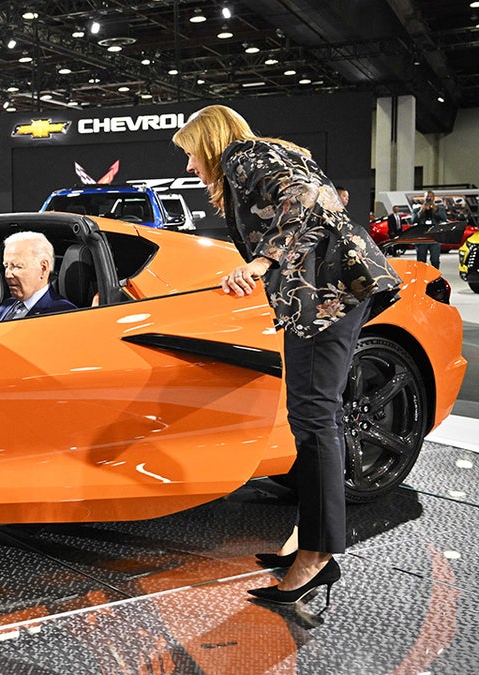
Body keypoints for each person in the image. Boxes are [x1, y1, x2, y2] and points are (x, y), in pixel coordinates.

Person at [172, 106, 401, 608]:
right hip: (331, 292)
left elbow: (307, 200)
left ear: (210, 142)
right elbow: (325, 201)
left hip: (326, 294)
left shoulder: (244, 155)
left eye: (190, 152)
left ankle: (316, 557)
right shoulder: (271, 154)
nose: (190, 165)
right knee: (318, 418)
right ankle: (310, 542)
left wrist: (258, 263)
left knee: (314, 419)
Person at [0, 232, 77, 321]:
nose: (7, 275)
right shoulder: (6, 306)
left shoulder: (62, 313)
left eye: (17, 266)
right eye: (6, 266)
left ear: (43, 268)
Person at [411, 190, 446, 269]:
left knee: (435, 260)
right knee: (421, 260)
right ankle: (421, 277)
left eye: (431, 197)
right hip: (422, 238)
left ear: (434, 198)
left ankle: (436, 277)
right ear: (424, 198)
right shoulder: (417, 209)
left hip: (434, 238)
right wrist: (421, 211)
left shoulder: (439, 209)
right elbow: (413, 220)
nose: (429, 198)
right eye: (427, 197)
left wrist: (435, 209)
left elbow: (444, 218)